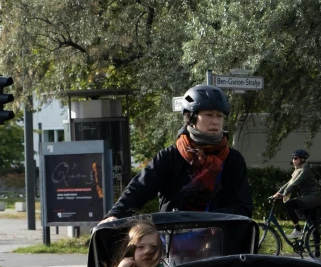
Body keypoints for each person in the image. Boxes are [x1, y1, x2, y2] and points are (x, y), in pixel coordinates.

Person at [103, 85, 253, 221]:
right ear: (192, 118)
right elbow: (139, 188)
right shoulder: (170, 156)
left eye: (219, 116)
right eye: (208, 115)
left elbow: (244, 206)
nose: (215, 121)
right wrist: (115, 215)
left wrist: (212, 219)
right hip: (174, 242)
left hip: (219, 243)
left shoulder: (233, 159)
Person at [271, 149, 321, 238]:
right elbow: (289, 183)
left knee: (289, 204)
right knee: (312, 225)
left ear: (302, 159)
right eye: (293, 158)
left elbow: (296, 183)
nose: (293, 160)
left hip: (313, 197)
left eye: (296, 158)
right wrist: (276, 193)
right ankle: (315, 250)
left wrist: (284, 194)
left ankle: (297, 230)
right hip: (307, 198)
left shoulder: (305, 169)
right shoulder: (298, 170)